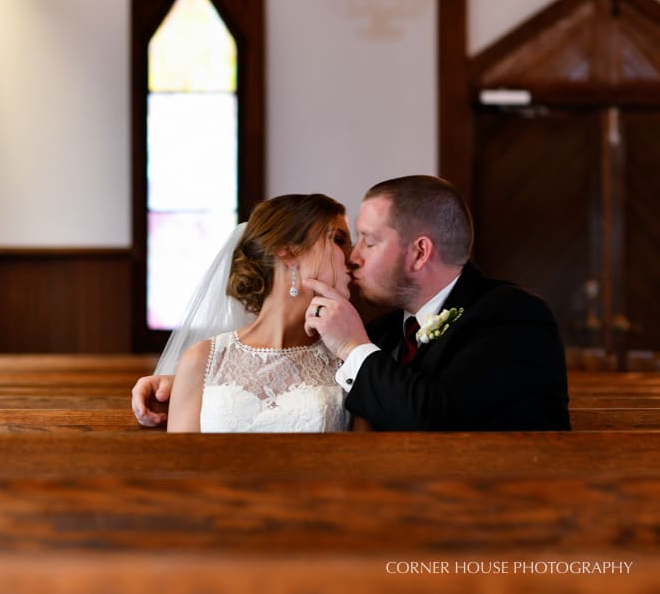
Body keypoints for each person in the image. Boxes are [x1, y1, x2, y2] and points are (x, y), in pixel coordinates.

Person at [133, 175, 571, 431]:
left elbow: (435, 416)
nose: (353, 256)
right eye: (345, 240)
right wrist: (187, 385)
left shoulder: (514, 318)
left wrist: (349, 348)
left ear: (419, 252)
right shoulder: (382, 334)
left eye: (367, 240)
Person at [164, 193, 360, 432]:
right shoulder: (203, 360)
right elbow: (181, 462)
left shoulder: (350, 358)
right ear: (288, 251)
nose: (353, 257)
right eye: (339, 240)